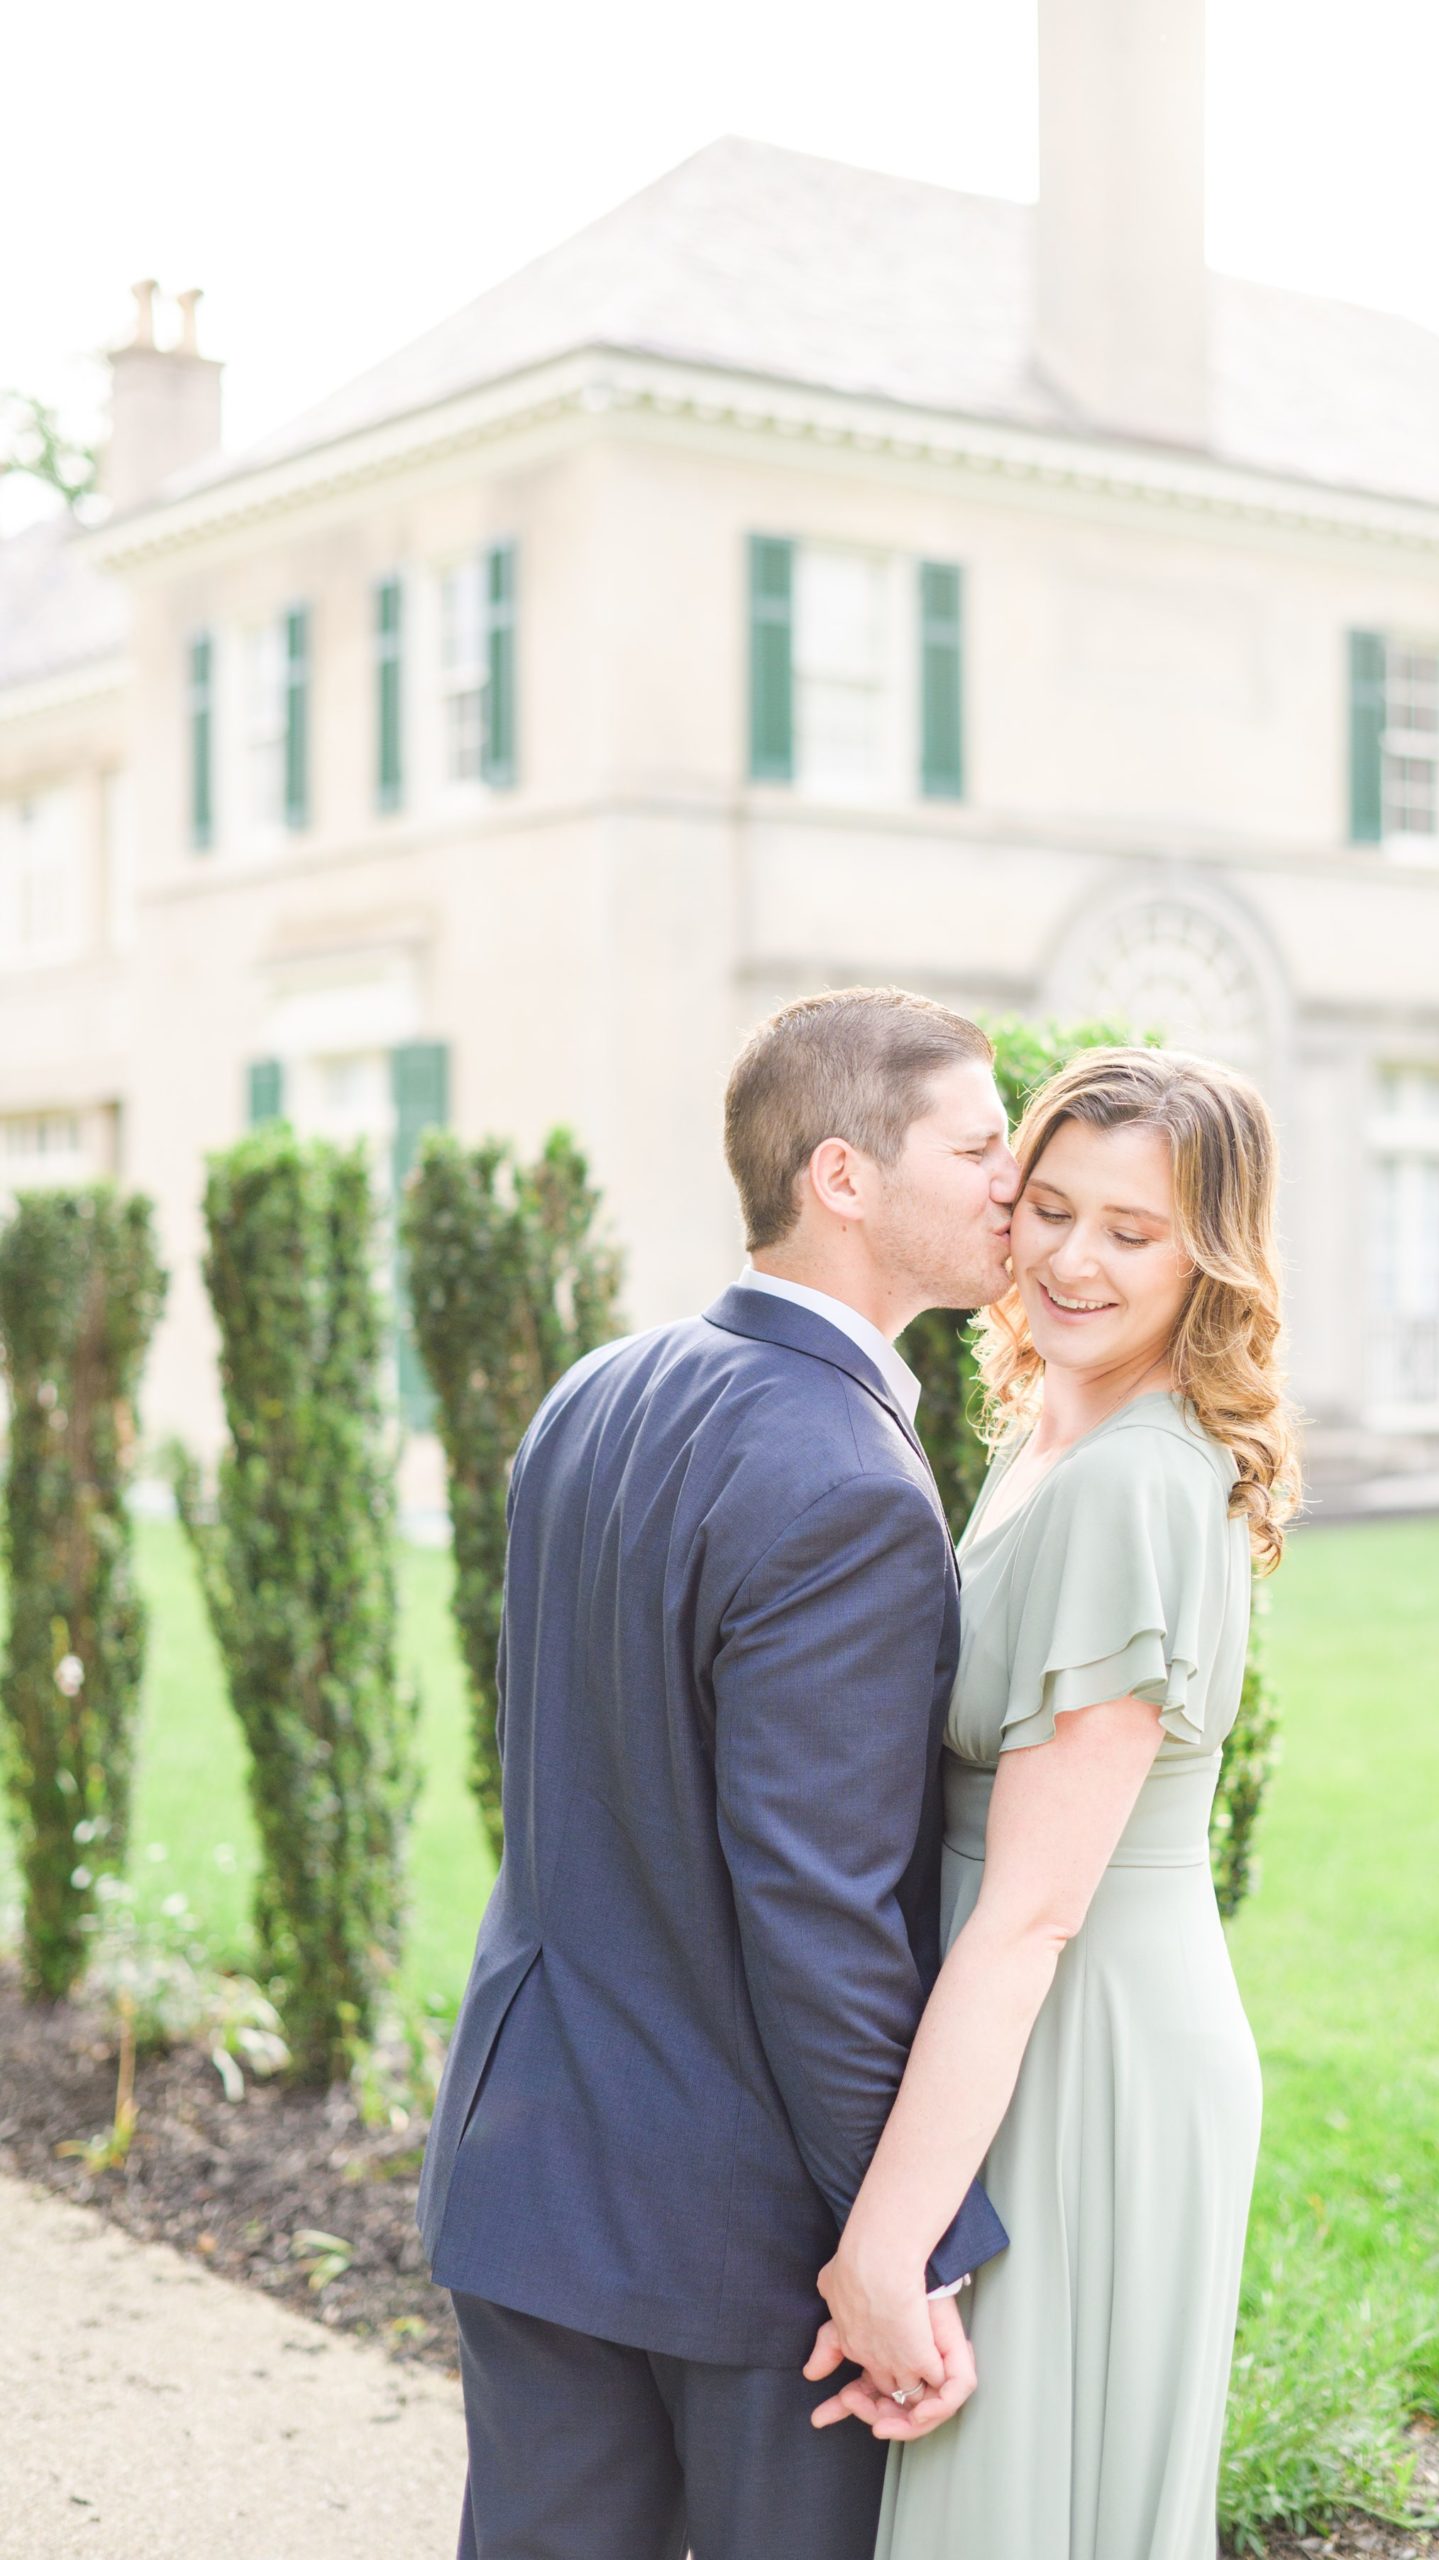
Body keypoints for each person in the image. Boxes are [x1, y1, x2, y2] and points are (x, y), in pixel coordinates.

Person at [417, 986, 1021, 2560]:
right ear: (843, 1177)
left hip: (525, 2165)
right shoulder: (850, 1483)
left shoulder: (592, 1393)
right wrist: (909, 2246)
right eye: (977, 1145)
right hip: (737, 2236)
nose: (1010, 1182)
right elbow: (818, 1915)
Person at [808, 1044, 1299, 2560]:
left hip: (1085, 2053)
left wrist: (889, 2244)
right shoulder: (1056, 1435)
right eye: (1053, 1208)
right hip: (1023, 2037)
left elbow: (1028, 1912)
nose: (1074, 1259)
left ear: (1207, 1261)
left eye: (1134, 1232)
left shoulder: (1131, 1485)